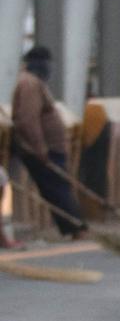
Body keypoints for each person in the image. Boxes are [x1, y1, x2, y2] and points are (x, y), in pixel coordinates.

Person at [11, 45, 88, 240]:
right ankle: (75, 228)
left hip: (47, 148)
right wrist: (40, 148)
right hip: (42, 149)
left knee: (57, 187)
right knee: (56, 188)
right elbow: (28, 119)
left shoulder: (33, 82)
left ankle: (76, 227)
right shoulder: (29, 84)